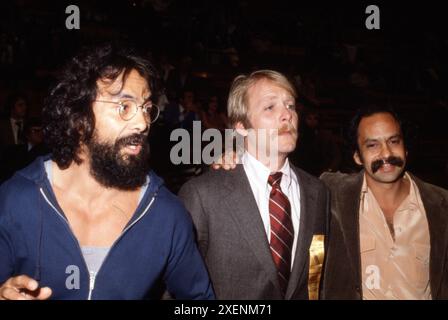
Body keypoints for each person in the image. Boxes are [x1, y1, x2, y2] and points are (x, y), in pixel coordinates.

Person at [0, 44, 214, 300]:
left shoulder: (167, 215)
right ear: (78, 117)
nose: (143, 123)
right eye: (124, 106)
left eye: (146, 108)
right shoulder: (15, 200)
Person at [179, 70, 330, 299]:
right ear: (240, 126)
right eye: (270, 107)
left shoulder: (318, 192)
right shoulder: (202, 195)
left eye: (290, 106)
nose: (287, 115)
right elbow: (179, 289)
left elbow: (318, 278)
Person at [321, 106, 448, 299]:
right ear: (357, 156)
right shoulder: (333, 195)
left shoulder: (441, 205)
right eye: (372, 145)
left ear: (405, 148)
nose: (386, 153)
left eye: (394, 141)